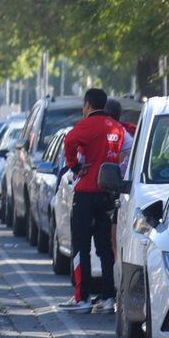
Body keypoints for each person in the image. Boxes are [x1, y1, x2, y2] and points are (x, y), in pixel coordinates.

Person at [60, 87, 126, 313]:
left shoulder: (86, 125)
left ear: (88, 105)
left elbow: (69, 141)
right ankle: (108, 298)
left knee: (80, 246)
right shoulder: (117, 128)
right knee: (105, 248)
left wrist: (75, 166)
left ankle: (82, 297)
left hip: (86, 192)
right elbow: (126, 151)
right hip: (107, 194)